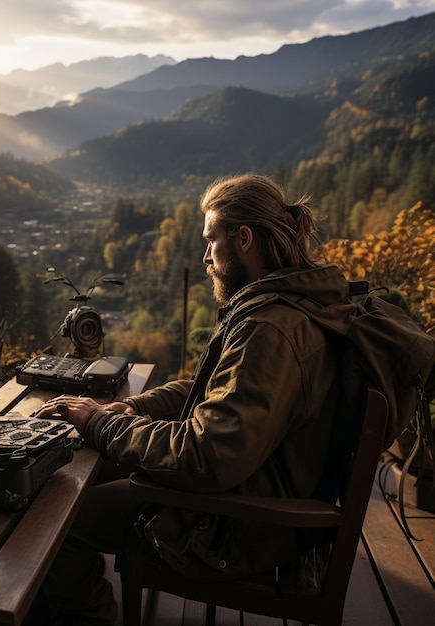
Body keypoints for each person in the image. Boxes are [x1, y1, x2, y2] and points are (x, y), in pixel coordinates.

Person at [29, 173, 353, 625]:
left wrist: (99, 424)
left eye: (210, 240)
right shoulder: (286, 305)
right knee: (78, 475)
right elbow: (210, 388)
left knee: (55, 523)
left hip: (237, 524)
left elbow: (206, 456)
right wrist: (132, 409)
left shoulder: (269, 328)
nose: (205, 257)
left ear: (243, 239)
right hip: (258, 482)